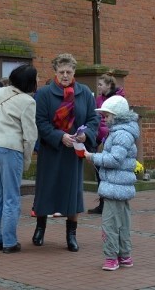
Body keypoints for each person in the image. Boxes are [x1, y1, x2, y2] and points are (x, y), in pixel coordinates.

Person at [31, 53, 99, 252]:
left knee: (72, 193)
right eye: (61, 72)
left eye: (69, 71)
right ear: (55, 72)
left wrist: (86, 135)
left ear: (74, 71)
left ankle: (71, 235)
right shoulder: (43, 94)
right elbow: (40, 122)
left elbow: (93, 120)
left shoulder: (85, 93)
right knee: (45, 190)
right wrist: (59, 136)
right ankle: (40, 228)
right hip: (52, 149)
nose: (65, 75)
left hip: (73, 152)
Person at [0, 64, 38, 254]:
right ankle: (9, 241)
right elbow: (30, 135)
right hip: (9, 148)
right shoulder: (28, 101)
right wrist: (26, 160)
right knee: (11, 198)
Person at [84, 95, 140, 271]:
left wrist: (92, 157)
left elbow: (115, 159)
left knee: (109, 223)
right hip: (120, 186)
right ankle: (125, 255)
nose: (105, 119)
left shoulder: (121, 134)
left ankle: (111, 258)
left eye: (107, 116)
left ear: (117, 116)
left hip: (114, 187)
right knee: (123, 222)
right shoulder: (123, 132)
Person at [88, 73, 125, 215]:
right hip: (98, 141)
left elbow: (113, 121)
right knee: (100, 174)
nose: (98, 87)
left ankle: (112, 204)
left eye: (100, 84)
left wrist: (105, 134)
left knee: (111, 174)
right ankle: (102, 203)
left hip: (110, 140)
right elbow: (96, 118)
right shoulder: (98, 100)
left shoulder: (118, 100)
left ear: (109, 85)